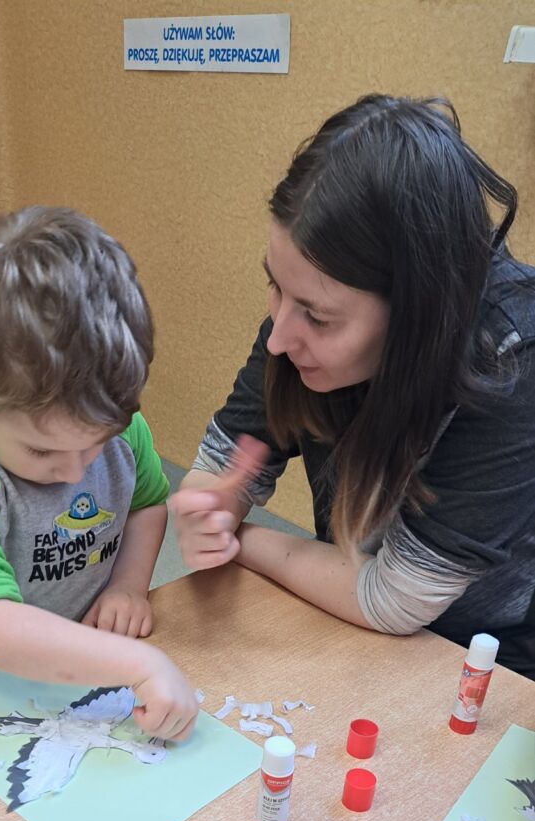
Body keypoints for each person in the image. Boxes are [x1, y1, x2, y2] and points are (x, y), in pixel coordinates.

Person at [170, 95, 535, 679]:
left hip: (488, 661)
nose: (278, 338)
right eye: (275, 287)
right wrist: (210, 508)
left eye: (318, 318)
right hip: (354, 620)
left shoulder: (513, 361)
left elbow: (394, 599)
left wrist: (244, 540)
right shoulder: (301, 313)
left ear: (415, 314)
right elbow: (219, 467)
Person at [0, 206, 197, 740]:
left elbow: (147, 501)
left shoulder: (117, 425)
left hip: (81, 669)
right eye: (40, 451)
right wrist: (137, 663)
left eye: (96, 445)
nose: (74, 472)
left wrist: (128, 585)